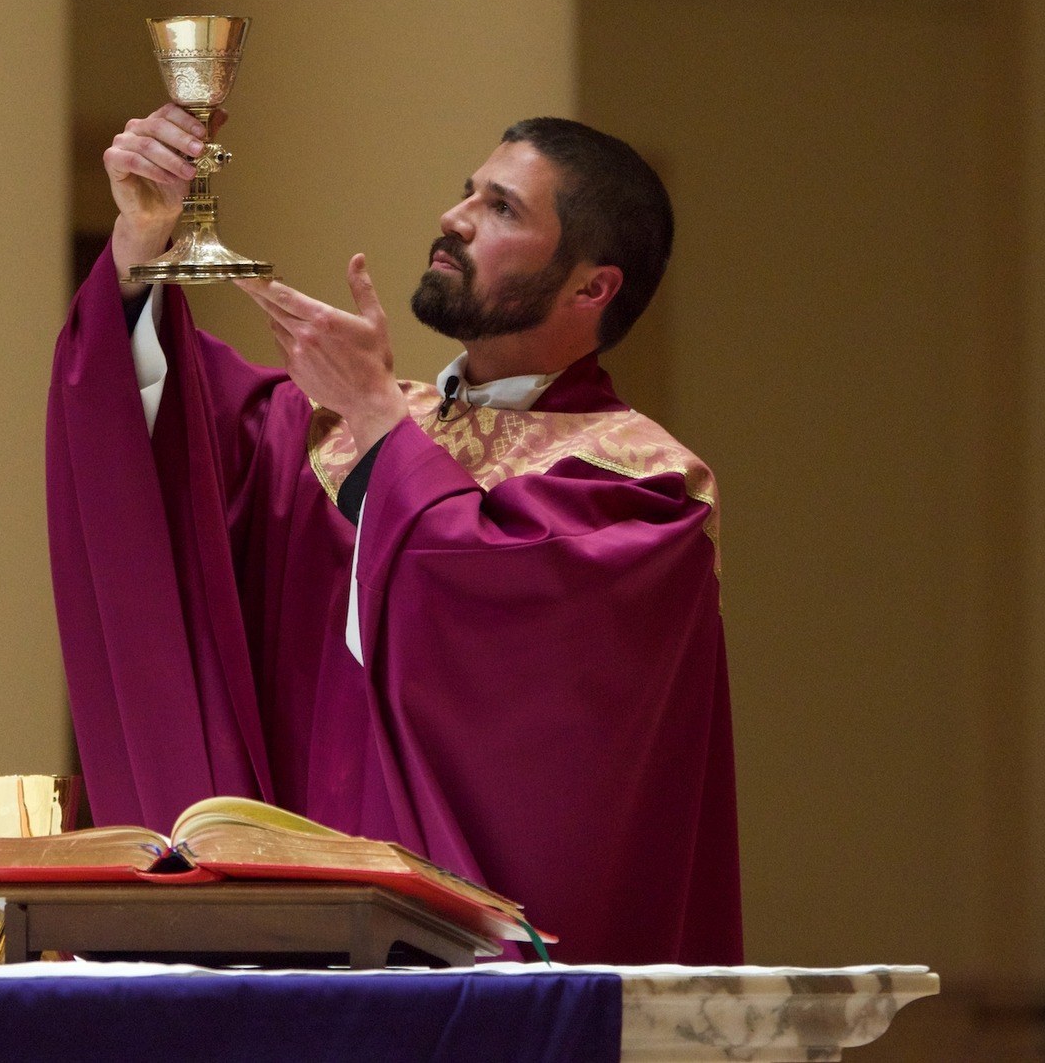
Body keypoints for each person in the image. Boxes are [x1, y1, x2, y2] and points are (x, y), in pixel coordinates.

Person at [45, 104, 741, 965]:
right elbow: (164, 456)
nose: (456, 217)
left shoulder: (643, 489)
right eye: (468, 191)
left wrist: (378, 418)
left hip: (483, 983)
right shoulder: (340, 432)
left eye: (502, 208)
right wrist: (141, 248)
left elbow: (489, 642)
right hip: (293, 954)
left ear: (591, 288)